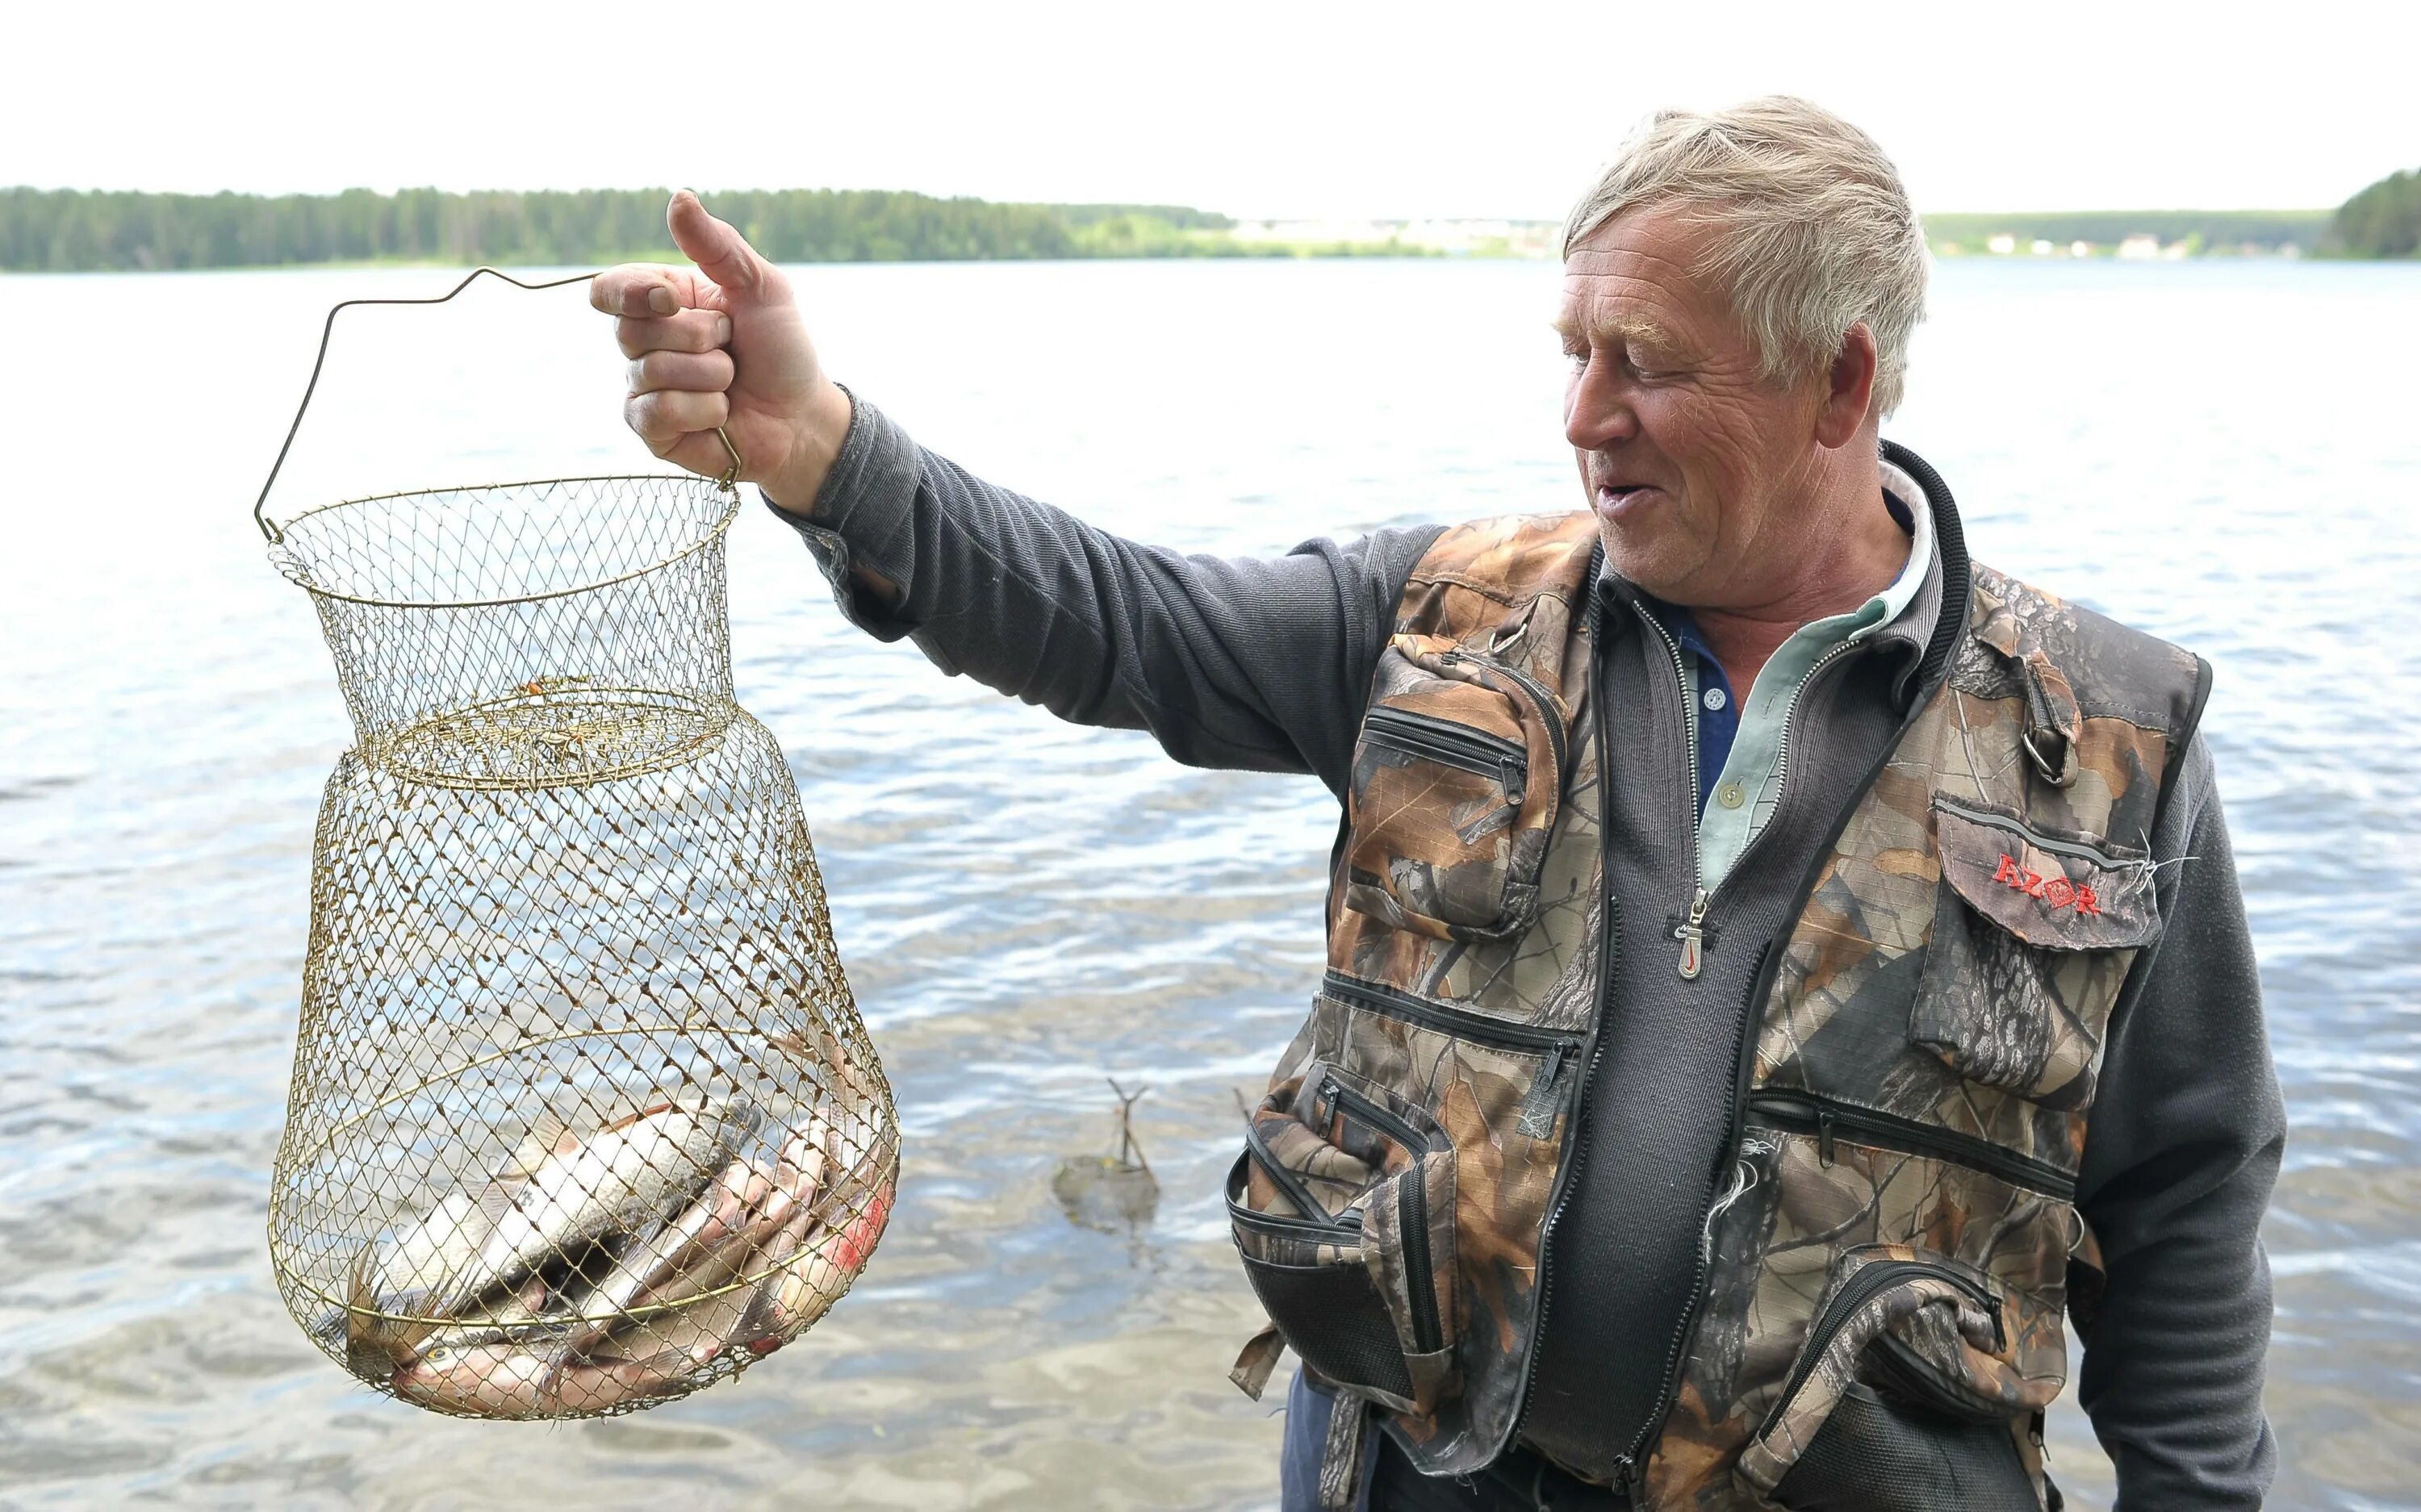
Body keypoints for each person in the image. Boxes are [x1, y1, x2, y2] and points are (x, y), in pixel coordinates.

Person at [591, 97, 2281, 1512]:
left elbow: (2188, 1193)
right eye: (1574, 350)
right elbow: (1121, 624)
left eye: (1648, 362)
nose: (1582, 416)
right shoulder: (1435, 620)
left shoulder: (2107, 739)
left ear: (1839, 386)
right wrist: (823, 451)